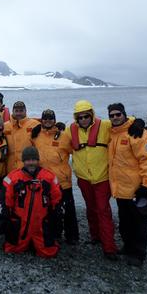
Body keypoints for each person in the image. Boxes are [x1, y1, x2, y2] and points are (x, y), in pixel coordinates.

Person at [58, 100, 118, 260]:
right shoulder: (71, 131)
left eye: (86, 116)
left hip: (102, 178)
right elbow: (57, 143)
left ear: (91, 115)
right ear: (76, 118)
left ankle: (109, 248)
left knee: (103, 210)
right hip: (84, 178)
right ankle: (95, 236)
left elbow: (122, 124)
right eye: (80, 117)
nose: (83, 119)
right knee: (90, 209)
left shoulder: (105, 126)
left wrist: (135, 122)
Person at [108, 103, 147, 267]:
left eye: (118, 114)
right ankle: (128, 247)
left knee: (140, 224)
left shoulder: (135, 133)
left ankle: (138, 254)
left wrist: (146, 184)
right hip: (120, 189)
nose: (115, 117)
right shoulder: (112, 133)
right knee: (125, 223)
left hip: (136, 189)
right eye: (112, 115)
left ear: (124, 114)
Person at [1, 146, 62, 258]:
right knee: (11, 249)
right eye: (28, 160)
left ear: (38, 161)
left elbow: (56, 198)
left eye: (33, 160)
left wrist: (56, 214)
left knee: (48, 252)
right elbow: (6, 199)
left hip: (41, 223)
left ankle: (36, 242)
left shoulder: (48, 177)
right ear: (23, 161)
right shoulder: (13, 177)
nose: (31, 163)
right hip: (20, 222)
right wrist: (6, 215)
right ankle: (28, 242)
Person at [31, 109, 79, 245]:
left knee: (68, 208)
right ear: (42, 120)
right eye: (45, 118)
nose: (47, 121)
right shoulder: (35, 135)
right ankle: (55, 233)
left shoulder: (64, 136)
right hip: (44, 181)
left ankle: (72, 236)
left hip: (62, 180)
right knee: (49, 209)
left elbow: (77, 151)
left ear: (55, 120)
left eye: (50, 118)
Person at [4, 101, 40, 173]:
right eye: (16, 111)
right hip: (10, 167)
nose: (19, 113)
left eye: (21, 111)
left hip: (28, 167)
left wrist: (58, 127)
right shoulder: (6, 126)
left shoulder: (34, 124)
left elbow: (47, 126)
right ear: (13, 111)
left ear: (25, 111)